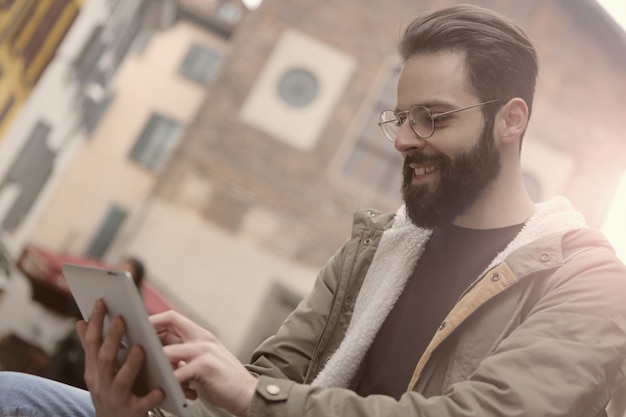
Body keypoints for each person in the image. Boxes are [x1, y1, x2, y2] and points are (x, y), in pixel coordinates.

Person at [1, 4, 625, 417]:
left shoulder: (589, 281)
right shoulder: (375, 247)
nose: (405, 140)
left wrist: (255, 393)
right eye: (400, 118)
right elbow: (269, 376)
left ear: (511, 120)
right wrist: (147, 396)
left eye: (433, 118)